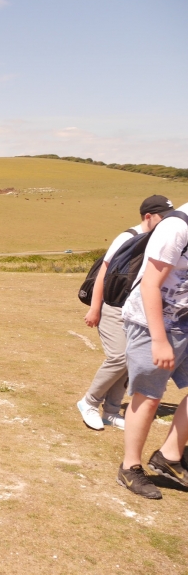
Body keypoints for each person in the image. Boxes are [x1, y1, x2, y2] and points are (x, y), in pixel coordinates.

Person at [79, 195, 173, 431]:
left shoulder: (161, 238)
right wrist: (95, 308)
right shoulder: (128, 237)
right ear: (148, 217)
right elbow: (103, 272)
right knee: (119, 357)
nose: (168, 223)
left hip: (137, 310)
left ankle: (111, 411)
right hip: (114, 306)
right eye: (163, 218)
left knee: (131, 360)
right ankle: (89, 402)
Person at [116, 199, 188, 499]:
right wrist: (159, 339)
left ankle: (169, 455)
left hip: (183, 319)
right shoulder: (177, 227)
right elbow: (150, 284)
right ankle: (129, 467)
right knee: (149, 396)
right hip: (150, 322)